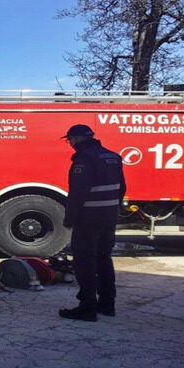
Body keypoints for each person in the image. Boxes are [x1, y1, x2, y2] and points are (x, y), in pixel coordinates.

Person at [59, 124, 126, 322]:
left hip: (89, 217)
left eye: (69, 140)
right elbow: (122, 187)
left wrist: (70, 218)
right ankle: (107, 304)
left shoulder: (85, 159)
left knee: (84, 261)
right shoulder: (113, 156)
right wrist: (115, 209)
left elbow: (78, 193)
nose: (69, 144)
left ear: (78, 139)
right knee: (104, 258)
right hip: (109, 216)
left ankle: (87, 307)